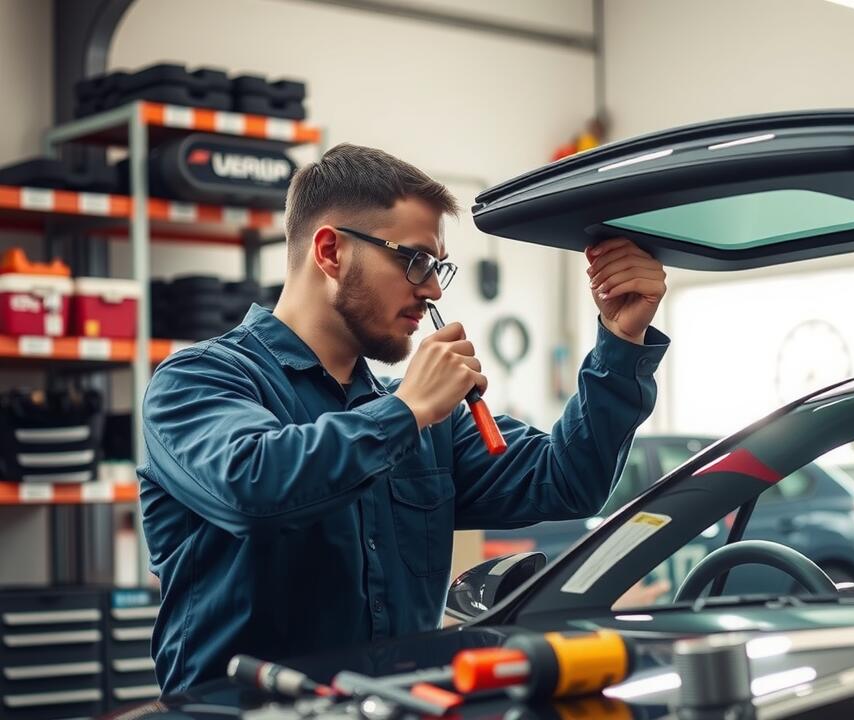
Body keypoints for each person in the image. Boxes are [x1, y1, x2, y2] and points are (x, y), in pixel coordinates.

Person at [137, 143, 669, 692]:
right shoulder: (197, 381)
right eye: (415, 260)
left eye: (438, 267)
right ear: (330, 252)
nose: (433, 288)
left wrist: (620, 340)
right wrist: (406, 411)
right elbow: (254, 487)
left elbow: (567, 481)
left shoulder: (426, 418)